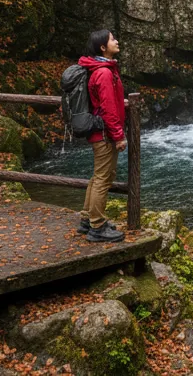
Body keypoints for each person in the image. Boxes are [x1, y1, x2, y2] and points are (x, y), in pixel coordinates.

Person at [78, 29, 127, 242]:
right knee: (103, 178)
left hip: (100, 131)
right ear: (103, 47)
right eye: (112, 39)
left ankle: (87, 219)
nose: (116, 41)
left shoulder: (99, 69)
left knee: (98, 176)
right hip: (105, 133)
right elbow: (108, 108)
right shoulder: (104, 73)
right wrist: (118, 136)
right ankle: (97, 227)